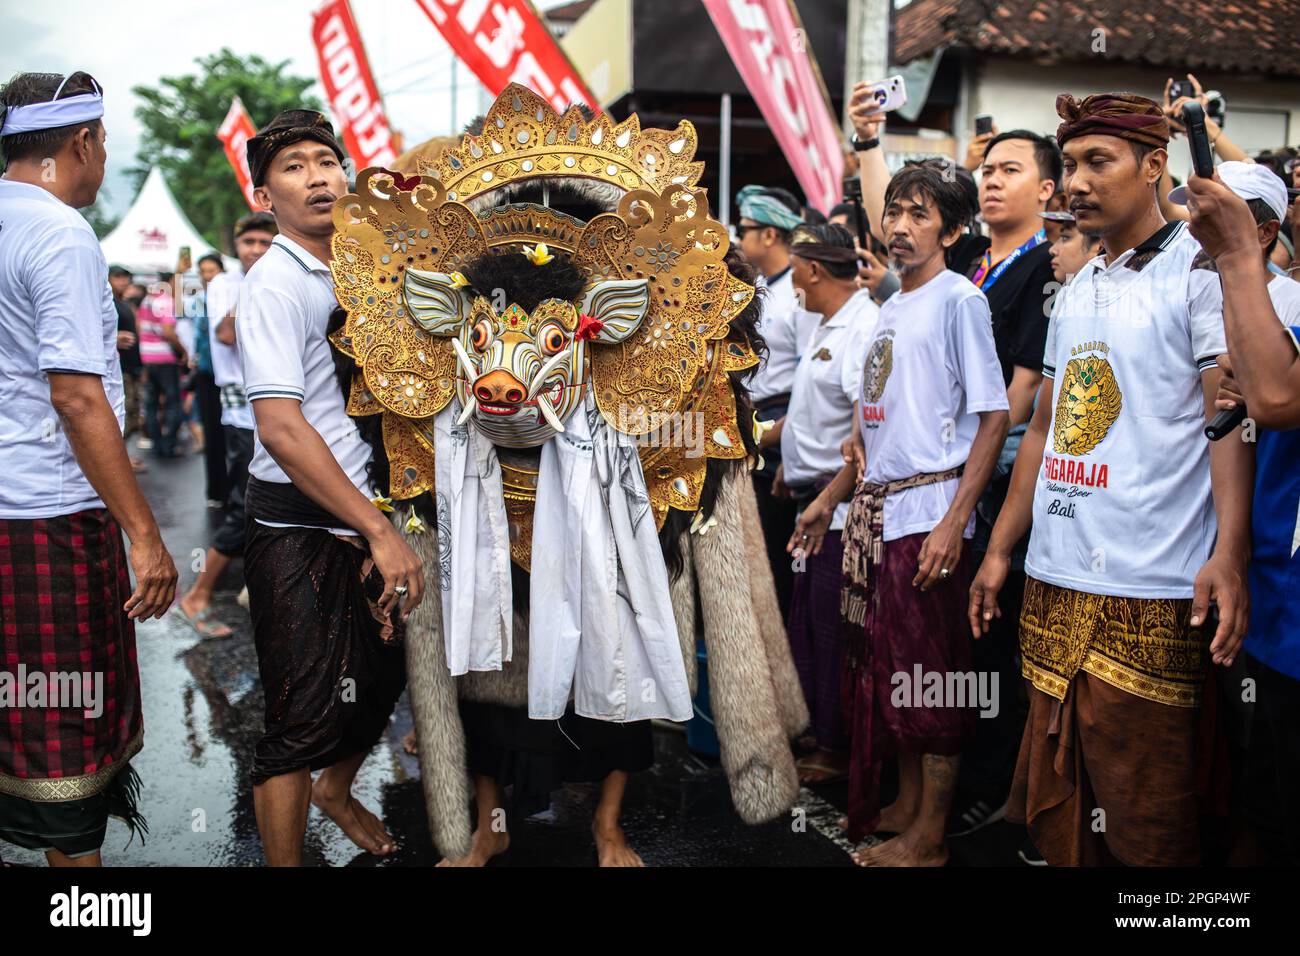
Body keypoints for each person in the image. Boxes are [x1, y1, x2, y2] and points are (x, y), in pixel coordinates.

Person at [968, 92, 1251, 866]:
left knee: (1148, 812)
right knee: (1063, 809)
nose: (1077, 182)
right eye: (1069, 165)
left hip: (1151, 582)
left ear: (1155, 165)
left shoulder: (1197, 273)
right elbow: (1048, 427)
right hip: (1056, 573)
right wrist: (1001, 550)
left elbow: (1228, 424)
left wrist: (1229, 553)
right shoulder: (1081, 283)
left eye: (1100, 161)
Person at [0, 70, 177, 866]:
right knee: (62, 737)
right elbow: (76, 397)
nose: (102, 157)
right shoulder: (60, 232)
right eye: (103, 142)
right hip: (47, 515)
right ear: (82, 143)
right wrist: (144, 534)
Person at [238, 109, 423, 866]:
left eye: (327, 161)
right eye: (293, 167)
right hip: (298, 526)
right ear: (264, 194)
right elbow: (282, 428)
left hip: (375, 506)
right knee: (300, 716)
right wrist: (378, 532)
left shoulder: (364, 268)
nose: (317, 177)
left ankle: (337, 790)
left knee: (386, 676)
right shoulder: (273, 285)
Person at [835, 161, 1009, 865]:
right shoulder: (891, 305)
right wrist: (861, 432)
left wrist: (951, 523)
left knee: (932, 678)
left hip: (927, 515)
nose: (900, 228)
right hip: (882, 513)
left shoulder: (958, 300)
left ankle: (930, 838)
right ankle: (907, 806)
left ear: (954, 230)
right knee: (895, 673)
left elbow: (993, 420)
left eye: (920, 216)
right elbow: (890, 399)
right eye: (896, 212)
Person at [1182, 162, 1300, 864]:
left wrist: (1235, 259)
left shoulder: (1271, 291)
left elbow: (1279, 400)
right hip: (1278, 601)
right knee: (1261, 796)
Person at [777, 222, 879, 785]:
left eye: (796, 267)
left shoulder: (862, 329)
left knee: (834, 627)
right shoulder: (826, 321)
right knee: (809, 625)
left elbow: (869, 440)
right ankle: (819, 732)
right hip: (811, 498)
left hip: (839, 512)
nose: (791, 280)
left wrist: (825, 495)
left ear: (813, 269)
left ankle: (838, 749)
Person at [173, 212, 278, 638]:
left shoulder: (279, 276)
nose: (255, 250)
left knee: (273, 507)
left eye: (263, 242)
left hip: (279, 413)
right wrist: (256, 285)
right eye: (248, 242)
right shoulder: (226, 285)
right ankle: (197, 595)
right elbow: (227, 334)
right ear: (236, 245)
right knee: (245, 506)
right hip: (243, 416)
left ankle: (259, 588)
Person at [735, 184, 818, 621]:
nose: (738, 237)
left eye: (745, 229)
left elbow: (809, 380)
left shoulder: (801, 291)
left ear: (769, 235)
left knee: (775, 555)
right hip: (752, 426)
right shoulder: (760, 286)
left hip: (780, 431)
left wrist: (771, 435)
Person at [137, 270, 186, 458]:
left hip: (148, 357)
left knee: (152, 404)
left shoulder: (147, 300)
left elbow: (139, 325)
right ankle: (169, 445)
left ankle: (157, 444)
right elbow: (168, 332)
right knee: (174, 403)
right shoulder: (166, 301)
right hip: (165, 359)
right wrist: (183, 351)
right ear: (170, 282)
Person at [193, 252, 228, 504]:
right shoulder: (198, 300)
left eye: (212, 270)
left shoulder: (232, 297)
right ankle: (217, 491)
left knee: (237, 436)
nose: (208, 276)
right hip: (206, 374)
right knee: (213, 433)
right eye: (203, 271)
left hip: (231, 377)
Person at [108, 264, 146, 472]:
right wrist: (115, 339)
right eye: (118, 277)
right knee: (124, 413)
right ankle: (119, 460)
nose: (122, 281)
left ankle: (123, 456)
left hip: (131, 367)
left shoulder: (123, 303)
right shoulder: (106, 303)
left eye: (126, 278)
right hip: (118, 368)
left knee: (132, 413)